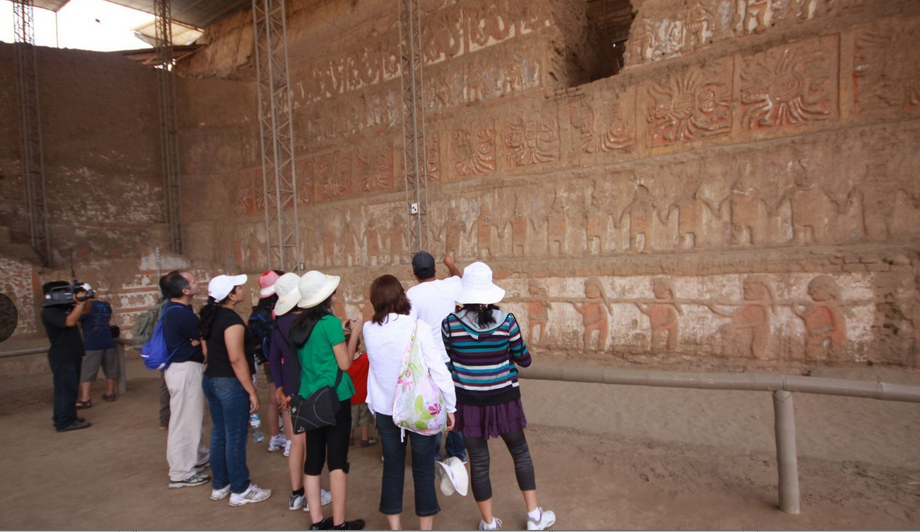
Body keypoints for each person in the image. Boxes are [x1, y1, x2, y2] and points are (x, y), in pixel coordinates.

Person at [441, 262, 556, 531]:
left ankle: (489, 523)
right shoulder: (507, 322)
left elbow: (448, 363)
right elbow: (524, 360)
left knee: (479, 462)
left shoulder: (449, 324)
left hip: (468, 403)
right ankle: (534, 516)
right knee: (521, 454)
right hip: (504, 400)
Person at [363, 274, 457, 531]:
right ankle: (424, 527)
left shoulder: (368, 329)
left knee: (392, 466)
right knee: (423, 467)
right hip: (417, 409)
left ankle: (396, 528)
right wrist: (451, 405)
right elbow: (438, 369)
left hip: (385, 409)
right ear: (401, 296)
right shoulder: (418, 327)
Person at [290, 271, 364, 530]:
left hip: (309, 397)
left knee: (313, 460)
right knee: (337, 461)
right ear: (327, 298)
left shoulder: (298, 325)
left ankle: (317, 522)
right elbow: (345, 363)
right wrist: (354, 332)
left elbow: (316, 348)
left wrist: (340, 330)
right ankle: (340, 523)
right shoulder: (330, 324)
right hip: (335, 399)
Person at [200, 274, 272, 506]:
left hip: (212, 379)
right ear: (231, 295)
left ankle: (221, 484)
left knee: (220, 433)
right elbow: (236, 358)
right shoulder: (230, 321)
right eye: (238, 287)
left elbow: (206, 352)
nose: (242, 289)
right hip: (229, 383)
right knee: (235, 436)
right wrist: (250, 390)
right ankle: (240, 488)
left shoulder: (211, 317)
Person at [269, 273, 333, 512]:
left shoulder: (278, 324)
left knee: (296, 443)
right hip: (308, 387)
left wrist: (279, 387)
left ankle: (296, 493)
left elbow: (275, 358)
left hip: (289, 387)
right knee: (312, 446)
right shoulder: (308, 322)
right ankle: (311, 494)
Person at [405, 251, 466, 463]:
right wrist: (450, 262)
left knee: (432, 405)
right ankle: (457, 452)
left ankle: (432, 455)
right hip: (451, 355)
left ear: (413, 272)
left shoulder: (412, 294)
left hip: (427, 360)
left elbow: (409, 327)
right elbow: (460, 278)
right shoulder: (449, 286)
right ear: (436, 269)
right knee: (454, 403)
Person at [160, 270, 210, 489]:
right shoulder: (180, 314)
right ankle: (181, 472)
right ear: (185, 290)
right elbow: (202, 338)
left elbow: (198, 339)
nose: (198, 282)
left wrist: (197, 341)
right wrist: (198, 341)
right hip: (185, 370)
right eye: (193, 281)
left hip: (184, 368)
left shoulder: (176, 309)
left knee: (192, 418)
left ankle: (196, 458)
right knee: (184, 422)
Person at [41, 281, 92, 432]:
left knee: (70, 390)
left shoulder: (64, 307)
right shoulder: (49, 310)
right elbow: (70, 322)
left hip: (72, 353)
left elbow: (86, 311)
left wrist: (85, 299)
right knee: (65, 390)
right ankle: (64, 422)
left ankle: (67, 417)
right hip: (62, 355)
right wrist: (79, 304)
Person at [251, 270, 286, 453]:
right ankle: (290, 441)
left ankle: (274, 438)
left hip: (266, 361)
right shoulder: (279, 309)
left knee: (273, 401)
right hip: (282, 360)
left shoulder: (258, 311)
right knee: (286, 401)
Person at [77, 293, 118, 407]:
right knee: (110, 368)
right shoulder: (105, 305)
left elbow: (78, 324)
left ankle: (85, 398)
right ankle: (110, 393)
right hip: (108, 340)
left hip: (92, 342)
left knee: (88, 370)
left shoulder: (85, 306)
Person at [347, 344, 376, 448]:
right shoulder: (365, 358)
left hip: (350, 396)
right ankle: (365, 439)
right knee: (365, 418)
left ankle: (350, 438)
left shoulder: (345, 363)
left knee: (350, 418)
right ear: (359, 346)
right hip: (364, 395)